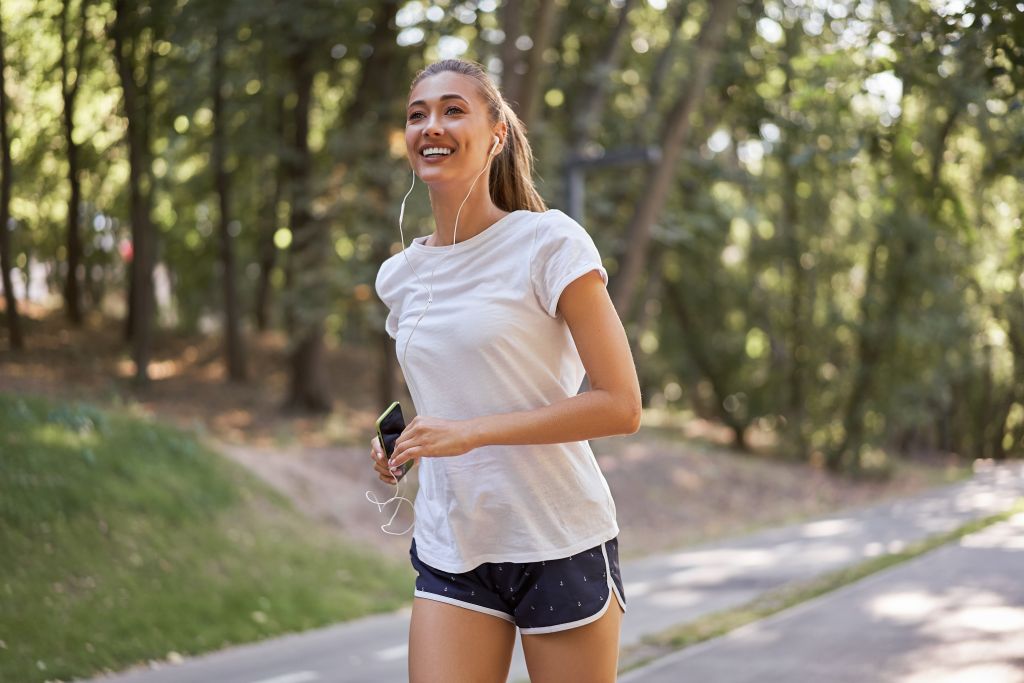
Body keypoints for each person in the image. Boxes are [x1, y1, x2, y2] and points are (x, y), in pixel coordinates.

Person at [371, 58, 641, 683]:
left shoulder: (549, 243)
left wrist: (471, 432)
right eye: (418, 114)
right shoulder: (400, 277)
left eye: (452, 110)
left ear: (495, 136)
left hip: (557, 537)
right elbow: (452, 389)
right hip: (454, 544)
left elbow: (621, 405)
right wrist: (404, 444)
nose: (431, 125)